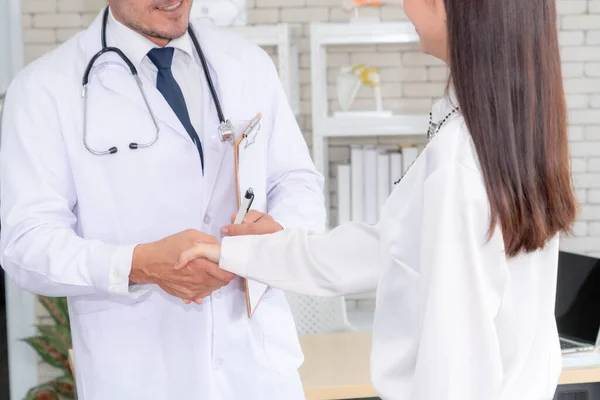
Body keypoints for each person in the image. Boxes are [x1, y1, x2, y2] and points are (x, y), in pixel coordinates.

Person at [178, 0, 578, 398]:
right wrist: (242, 253)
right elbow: (385, 250)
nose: (405, 6)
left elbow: (454, 365)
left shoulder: (458, 161)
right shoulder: (511, 135)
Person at [0, 0, 325, 399]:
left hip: (256, 369)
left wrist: (281, 232)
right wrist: (138, 265)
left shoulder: (246, 63)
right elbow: (27, 244)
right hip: (139, 375)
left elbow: (297, 181)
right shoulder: (44, 88)